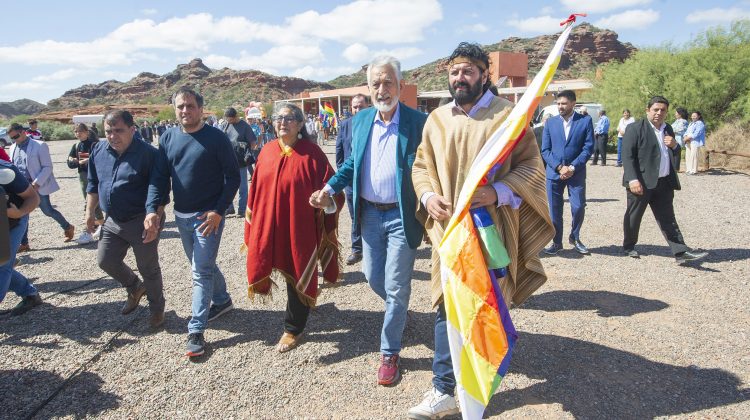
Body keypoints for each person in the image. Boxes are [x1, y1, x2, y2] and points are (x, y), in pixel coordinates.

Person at [409, 42, 554, 419]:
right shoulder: (437, 119)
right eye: (455, 71)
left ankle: (480, 386)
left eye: (468, 71)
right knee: (447, 307)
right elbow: (420, 166)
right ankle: (442, 390)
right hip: (450, 233)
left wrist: (496, 191)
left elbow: (532, 168)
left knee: (487, 305)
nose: (461, 78)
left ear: (484, 74)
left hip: (491, 232)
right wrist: (427, 197)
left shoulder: (508, 117)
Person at [310, 55, 427, 386]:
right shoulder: (360, 122)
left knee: (395, 284)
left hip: (402, 216)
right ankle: (398, 307)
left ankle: (389, 351)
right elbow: (350, 166)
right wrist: (329, 188)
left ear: (400, 86)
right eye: (375, 83)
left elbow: (430, 164)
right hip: (370, 214)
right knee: (373, 276)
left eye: (388, 81)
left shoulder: (417, 122)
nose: (381, 88)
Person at [244, 103, 344, 353]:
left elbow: (334, 190)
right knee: (268, 260)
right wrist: (253, 225)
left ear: (300, 124)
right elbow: (255, 192)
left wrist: (326, 200)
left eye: (289, 119)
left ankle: (293, 328)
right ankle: (298, 316)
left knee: (297, 270)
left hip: (300, 229)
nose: (282, 122)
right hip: (269, 226)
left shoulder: (313, 154)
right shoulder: (266, 151)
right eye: (279, 118)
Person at [149, 87, 240, 357]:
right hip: (182, 216)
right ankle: (222, 300)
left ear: (201, 109)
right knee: (202, 264)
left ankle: (196, 330)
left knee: (199, 271)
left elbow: (233, 177)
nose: (185, 111)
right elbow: (159, 177)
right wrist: (154, 208)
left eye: (190, 106)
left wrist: (218, 211)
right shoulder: (168, 138)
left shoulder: (216, 138)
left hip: (207, 218)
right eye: (180, 107)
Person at [87, 110, 168, 328]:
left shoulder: (149, 154)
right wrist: (89, 213)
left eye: (119, 131)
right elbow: (93, 184)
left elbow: (159, 188)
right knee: (105, 260)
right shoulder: (98, 150)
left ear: (133, 130)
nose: (113, 136)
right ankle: (134, 286)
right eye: (108, 131)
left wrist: (155, 217)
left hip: (142, 219)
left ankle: (157, 309)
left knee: (148, 267)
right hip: (113, 220)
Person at [621, 96, 707, 264]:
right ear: (648, 110)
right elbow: (627, 156)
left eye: (663, 110)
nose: (659, 113)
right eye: (656, 109)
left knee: (668, 218)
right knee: (634, 215)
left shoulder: (667, 128)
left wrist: (675, 145)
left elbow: (674, 153)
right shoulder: (635, 128)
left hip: (664, 182)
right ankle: (629, 245)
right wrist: (632, 180)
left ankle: (680, 252)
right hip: (641, 182)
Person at [541, 90, 594, 255]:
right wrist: (559, 167)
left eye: (563, 103)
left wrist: (571, 168)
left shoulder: (585, 121)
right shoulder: (550, 123)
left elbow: (588, 148)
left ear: (573, 103)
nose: (560, 107)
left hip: (575, 173)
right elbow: (545, 150)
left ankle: (575, 236)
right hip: (554, 174)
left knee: (578, 206)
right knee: (554, 210)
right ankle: (557, 242)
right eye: (558, 104)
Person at [7, 123, 75, 252]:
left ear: (22, 132)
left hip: (36, 186)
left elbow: (47, 167)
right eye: (12, 138)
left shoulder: (39, 145)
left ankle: (67, 227)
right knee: (23, 214)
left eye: (15, 136)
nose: (14, 139)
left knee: (48, 211)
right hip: (20, 188)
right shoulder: (12, 147)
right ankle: (24, 243)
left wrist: (36, 184)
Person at [0, 161, 42, 316]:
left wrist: (18, 213)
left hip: (13, 221)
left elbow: (33, 198)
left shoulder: (5, 170)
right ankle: (29, 293)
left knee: (2, 263)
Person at [335, 93, 369, 265]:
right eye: (354, 107)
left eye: (360, 106)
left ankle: (374, 247)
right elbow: (340, 151)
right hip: (351, 181)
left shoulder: (374, 123)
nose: (357, 109)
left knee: (372, 213)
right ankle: (357, 249)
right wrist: (343, 174)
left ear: (368, 106)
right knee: (355, 215)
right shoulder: (345, 125)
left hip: (371, 179)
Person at [67, 123, 103, 244]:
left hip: (94, 175)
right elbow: (70, 161)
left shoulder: (94, 145)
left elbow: (99, 158)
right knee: (89, 202)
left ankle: (90, 229)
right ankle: (101, 225)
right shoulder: (76, 146)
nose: (78, 134)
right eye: (76, 131)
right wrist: (73, 161)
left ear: (87, 132)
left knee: (91, 202)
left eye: (80, 131)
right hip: (82, 175)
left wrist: (89, 160)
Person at [220, 107, 257, 217]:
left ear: (235, 116)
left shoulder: (245, 126)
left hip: (241, 161)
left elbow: (253, 142)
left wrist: (246, 152)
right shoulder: (225, 125)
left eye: (231, 119)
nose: (229, 121)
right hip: (227, 160)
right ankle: (229, 208)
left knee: (242, 186)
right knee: (227, 185)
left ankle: (241, 209)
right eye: (227, 119)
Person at [683, 111, 706, 175]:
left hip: (695, 141)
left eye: (695, 116)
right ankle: (688, 169)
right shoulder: (691, 123)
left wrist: (689, 137)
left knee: (694, 155)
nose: (693, 117)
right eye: (692, 116)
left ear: (698, 116)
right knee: (688, 155)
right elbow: (686, 131)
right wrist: (685, 136)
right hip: (688, 141)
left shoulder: (700, 123)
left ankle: (694, 170)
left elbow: (697, 133)